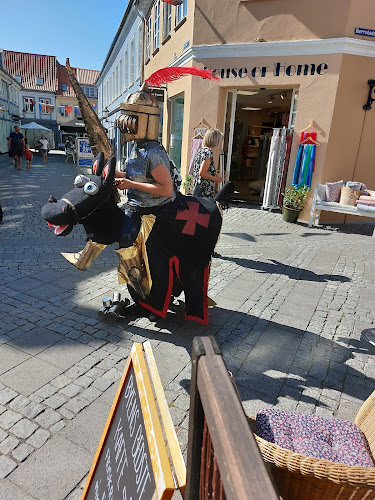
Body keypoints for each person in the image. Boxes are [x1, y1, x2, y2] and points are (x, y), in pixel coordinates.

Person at [192, 128, 223, 199]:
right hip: (204, 192)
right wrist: (216, 179)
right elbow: (202, 173)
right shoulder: (208, 152)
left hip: (198, 188)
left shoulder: (201, 151)